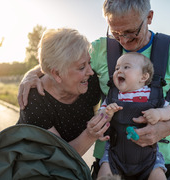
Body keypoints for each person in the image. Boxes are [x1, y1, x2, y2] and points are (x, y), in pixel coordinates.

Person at [17, 0, 170, 177]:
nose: (124, 41)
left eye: (131, 32)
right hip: (110, 159)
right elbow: (59, 63)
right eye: (116, 33)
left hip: (160, 161)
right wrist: (31, 74)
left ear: (149, 17)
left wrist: (166, 127)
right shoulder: (100, 49)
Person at [17, 27, 110, 156]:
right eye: (82, 67)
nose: (90, 71)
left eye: (89, 62)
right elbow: (62, 157)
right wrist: (90, 135)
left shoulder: (89, 83)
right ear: (57, 73)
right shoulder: (33, 101)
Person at [97, 52, 170, 179]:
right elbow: (100, 116)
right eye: (117, 68)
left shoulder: (152, 94)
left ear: (143, 77)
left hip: (149, 156)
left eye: (126, 67)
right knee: (105, 173)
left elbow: (169, 110)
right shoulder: (113, 96)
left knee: (158, 175)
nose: (119, 70)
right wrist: (107, 113)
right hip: (115, 154)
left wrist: (159, 113)